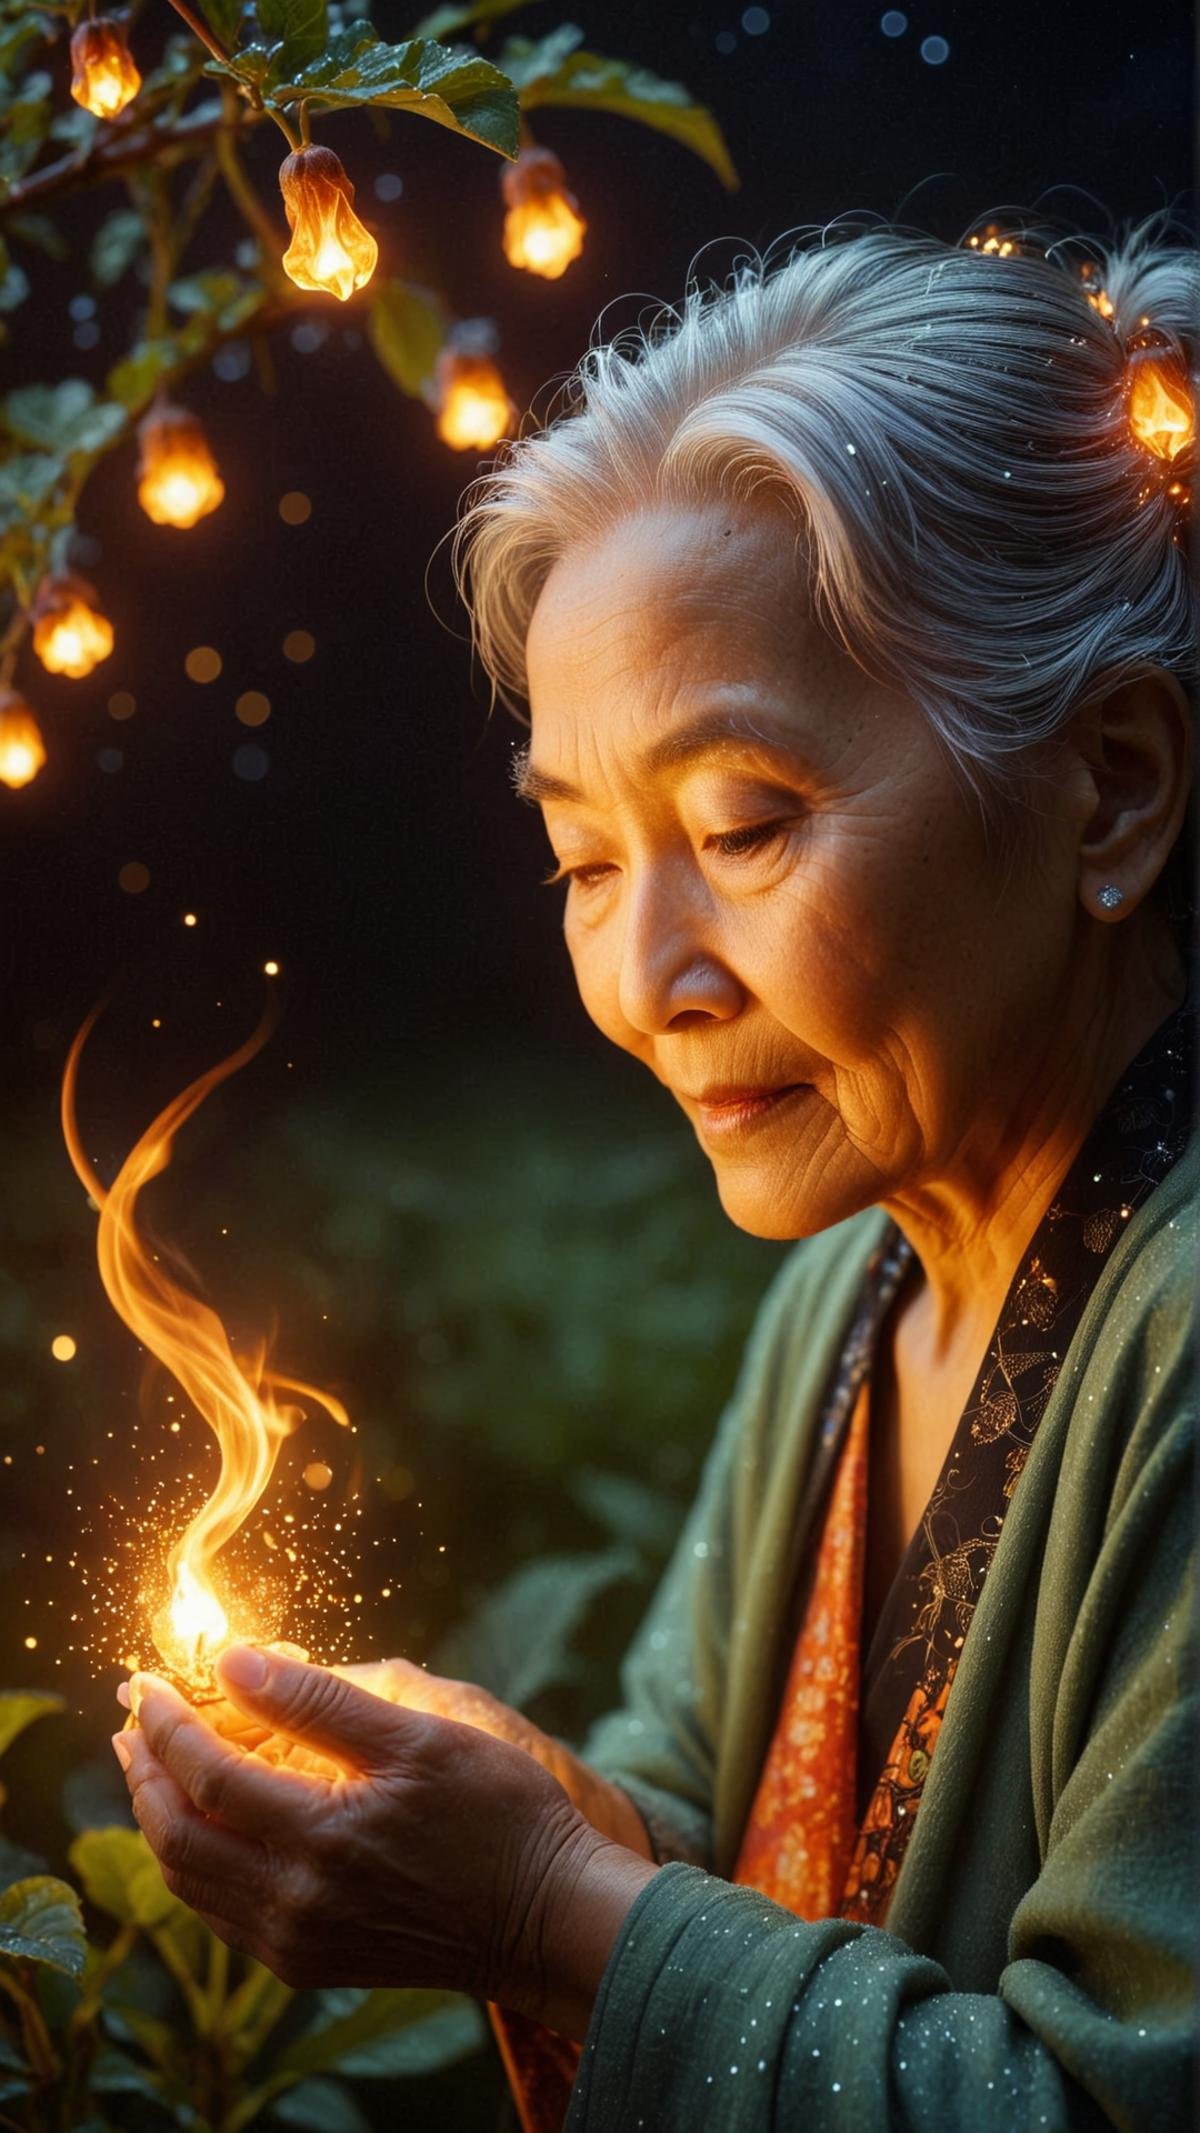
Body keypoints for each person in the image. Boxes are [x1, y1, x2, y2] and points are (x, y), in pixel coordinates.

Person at [113, 212, 1197, 2131]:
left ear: (1108, 781)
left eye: (743, 823)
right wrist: (505, 1824)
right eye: (586, 861)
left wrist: (545, 1905)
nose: (642, 982)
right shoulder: (842, 1299)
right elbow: (690, 1804)